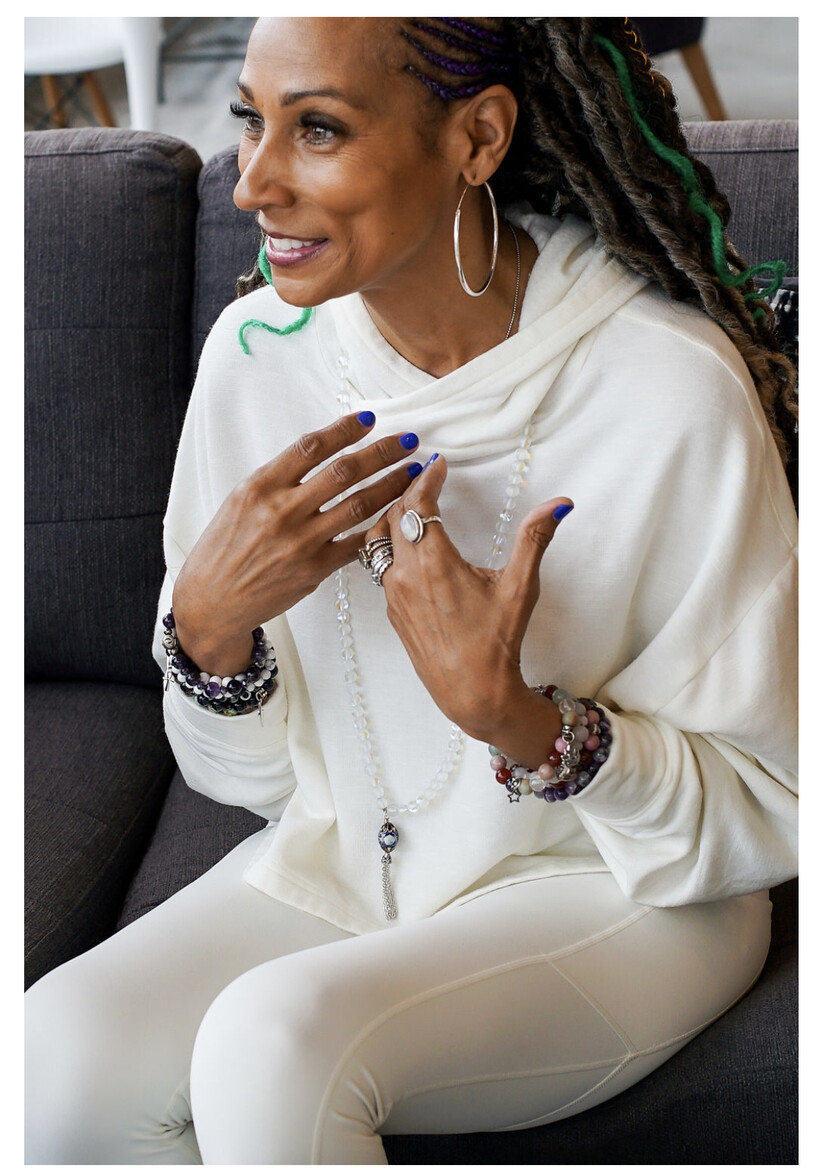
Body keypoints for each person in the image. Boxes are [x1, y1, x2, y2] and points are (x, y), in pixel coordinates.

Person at [25, 16, 798, 1165]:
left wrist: (516, 719)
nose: (252, 184)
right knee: (49, 1061)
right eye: (250, 120)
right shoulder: (255, 357)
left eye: (318, 129)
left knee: (272, 1048)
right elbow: (254, 782)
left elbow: (777, 799)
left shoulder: (668, 390)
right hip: (352, 863)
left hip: (627, 889)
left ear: (478, 137)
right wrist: (209, 629)